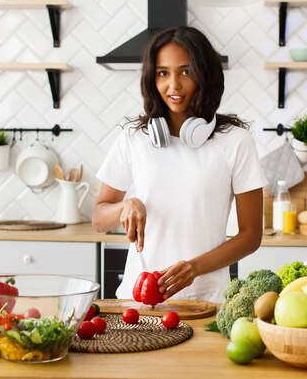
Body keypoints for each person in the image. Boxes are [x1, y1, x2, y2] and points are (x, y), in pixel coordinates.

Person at [92, 26, 266, 303]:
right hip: (139, 301)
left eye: (185, 71)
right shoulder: (134, 138)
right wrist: (126, 205)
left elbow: (251, 235)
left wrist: (194, 268)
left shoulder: (236, 141)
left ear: (205, 75)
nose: (173, 85)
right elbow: (99, 217)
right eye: (163, 73)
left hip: (208, 301)